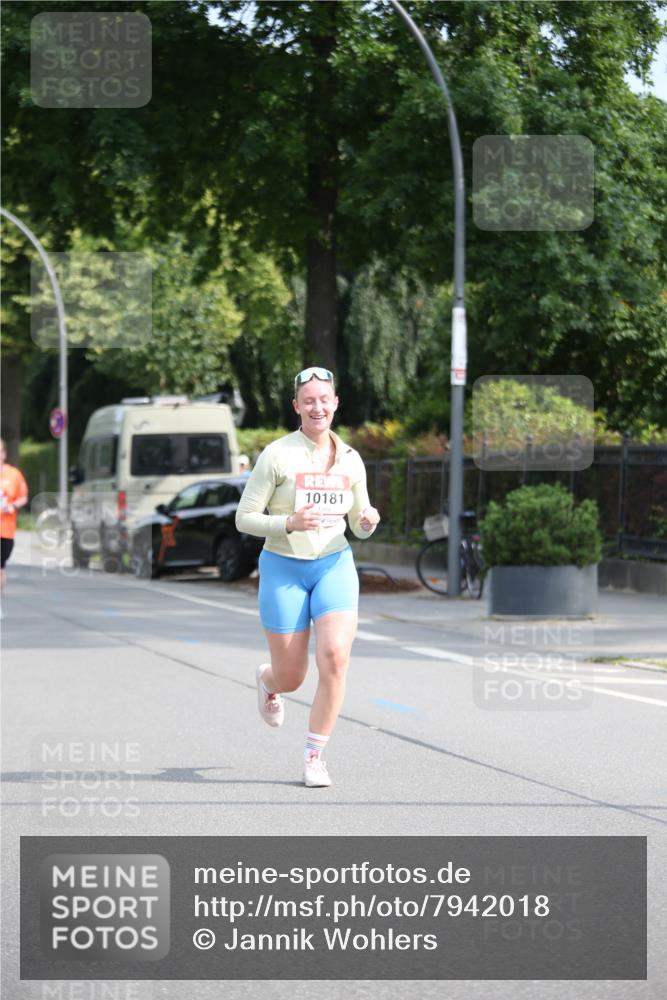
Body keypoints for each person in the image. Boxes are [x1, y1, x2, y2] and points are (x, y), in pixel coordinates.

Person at [235, 367, 381, 787]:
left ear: (336, 403)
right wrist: (289, 523)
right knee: (292, 677)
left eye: (325, 399)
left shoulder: (351, 460)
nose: (318, 407)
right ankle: (268, 681)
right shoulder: (277, 455)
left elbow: (359, 520)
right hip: (284, 566)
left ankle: (314, 756)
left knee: (335, 656)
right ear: (297, 406)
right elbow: (245, 518)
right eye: (309, 400)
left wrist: (369, 520)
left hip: (334, 562)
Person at [0, 438, 29, 611]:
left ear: (4, 453)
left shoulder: (14, 475)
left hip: (6, 529)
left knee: (0, 567)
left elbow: (23, 497)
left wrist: (13, 506)